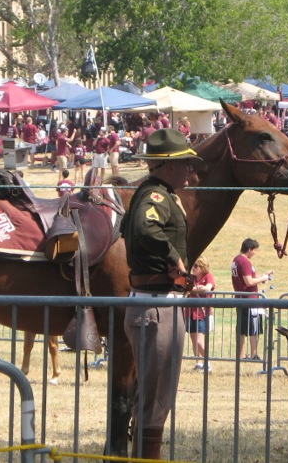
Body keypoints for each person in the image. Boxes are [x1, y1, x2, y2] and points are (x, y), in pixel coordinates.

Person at [122, 128, 201, 460]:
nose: (190, 171)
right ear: (169, 166)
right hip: (155, 309)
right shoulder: (155, 196)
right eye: (185, 163)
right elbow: (144, 227)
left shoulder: (158, 192)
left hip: (158, 305)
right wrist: (174, 257)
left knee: (156, 394)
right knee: (156, 396)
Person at [231, 238, 273, 360]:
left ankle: (241, 355)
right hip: (249, 300)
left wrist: (263, 276)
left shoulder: (236, 260)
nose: (255, 253)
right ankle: (254, 354)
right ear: (249, 249)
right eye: (254, 250)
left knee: (241, 329)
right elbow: (249, 281)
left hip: (241, 298)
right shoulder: (245, 262)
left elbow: (249, 277)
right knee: (253, 328)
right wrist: (262, 278)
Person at [185, 254, 215, 373]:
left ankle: (208, 363)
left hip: (202, 313)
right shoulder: (191, 277)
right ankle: (199, 363)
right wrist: (196, 288)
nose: (193, 268)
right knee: (193, 340)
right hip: (190, 312)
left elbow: (208, 288)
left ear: (202, 267)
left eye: (196, 266)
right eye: (193, 266)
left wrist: (193, 289)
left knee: (199, 341)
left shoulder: (208, 276)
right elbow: (186, 288)